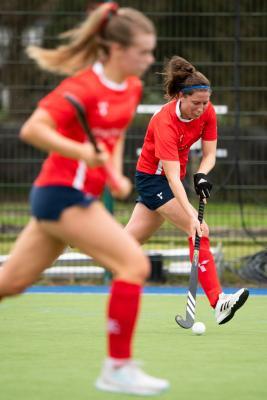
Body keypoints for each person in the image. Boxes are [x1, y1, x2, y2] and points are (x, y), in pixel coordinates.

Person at [0, 3, 169, 396]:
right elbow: (33, 129)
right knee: (133, 263)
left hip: (77, 196)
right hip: (61, 194)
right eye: (143, 51)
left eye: (150, 50)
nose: (150, 59)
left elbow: (114, 132)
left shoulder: (129, 87)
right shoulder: (81, 88)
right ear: (114, 48)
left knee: (11, 282)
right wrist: (81, 154)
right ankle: (117, 368)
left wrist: (113, 173)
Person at [125, 55, 249, 325]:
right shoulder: (164, 122)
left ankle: (79, 237)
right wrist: (192, 216)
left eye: (205, 103)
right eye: (196, 103)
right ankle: (219, 302)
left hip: (170, 180)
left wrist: (202, 174)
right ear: (181, 97)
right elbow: (170, 178)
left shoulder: (207, 110)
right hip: (153, 180)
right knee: (199, 229)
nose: (202, 109)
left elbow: (210, 154)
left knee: (124, 244)